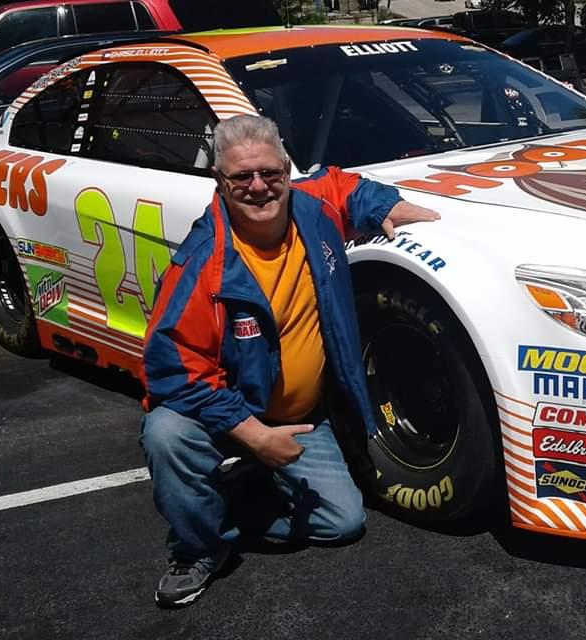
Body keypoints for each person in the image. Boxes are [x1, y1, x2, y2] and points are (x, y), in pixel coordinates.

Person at [139, 114, 439, 608]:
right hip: (231, 414)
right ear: (220, 181)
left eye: (270, 173)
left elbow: (343, 185)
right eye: (242, 177)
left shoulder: (312, 209)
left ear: (286, 170)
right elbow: (172, 371)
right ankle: (199, 548)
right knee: (166, 434)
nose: (258, 187)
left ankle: (232, 498)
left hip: (302, 419)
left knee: (343, 523)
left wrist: (386, 205)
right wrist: (254, 435)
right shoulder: (201, 263)